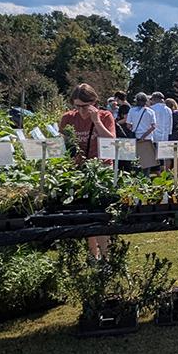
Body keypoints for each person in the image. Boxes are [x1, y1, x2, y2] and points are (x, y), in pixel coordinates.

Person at [59, 83, 116, 259]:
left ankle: (106, 256)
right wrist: (70, 158)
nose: (81, 110)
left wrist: (96, 121)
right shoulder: (68, 118)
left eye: (85, 106)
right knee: (85, 215)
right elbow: (62, 146)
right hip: (79, 170)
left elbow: (111, 141)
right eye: (77, 106)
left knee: (101, 214)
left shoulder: (105, 116)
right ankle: (93, 255)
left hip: (102, 169)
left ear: (94, 102)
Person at [127, 92, 158, 171]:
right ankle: (146, 178)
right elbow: (153, 126)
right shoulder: (151, 112)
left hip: (136, 137)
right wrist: (143, 136)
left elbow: (128, 125)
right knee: (147, 162)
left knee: (136, 160)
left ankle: (136, 178)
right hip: (147, 138)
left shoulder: (132, 110)